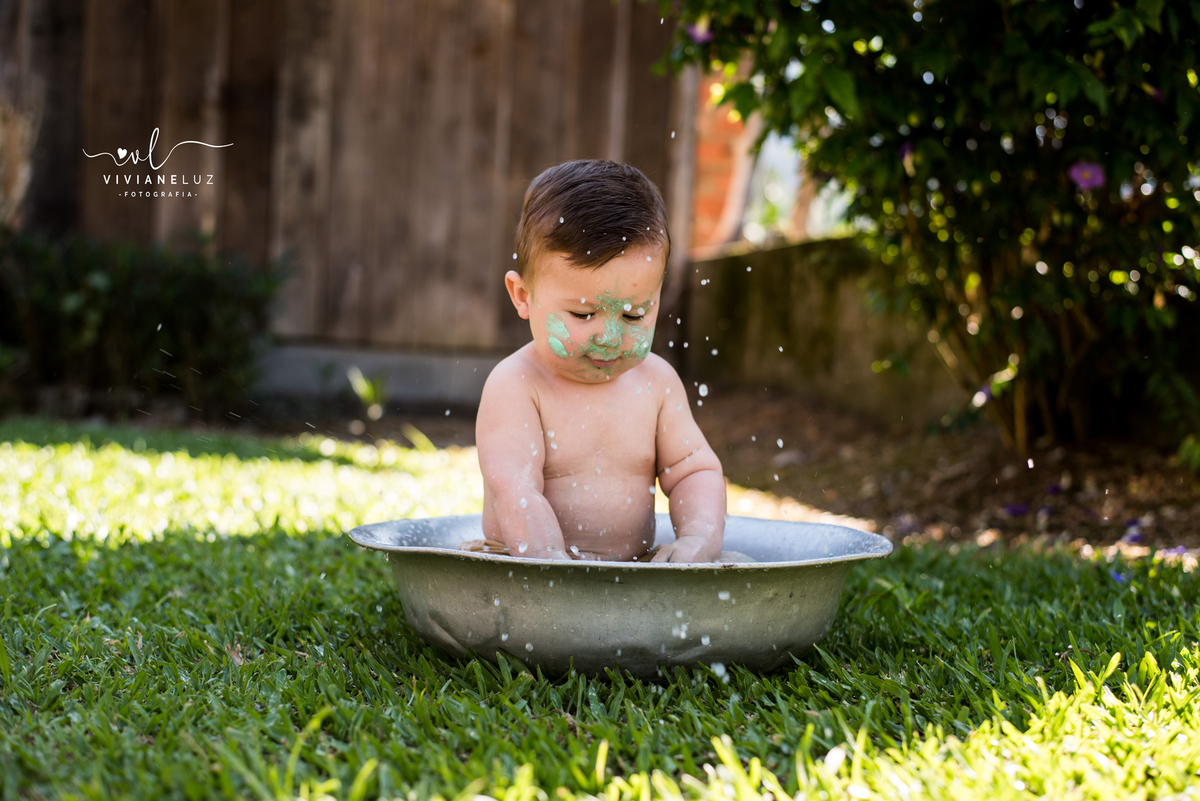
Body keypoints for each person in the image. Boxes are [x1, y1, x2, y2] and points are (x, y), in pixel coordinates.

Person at [472, 159, 727, 562]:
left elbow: (693, 471)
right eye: (583, 314)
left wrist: (698, 539)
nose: (610, 338)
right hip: (523, 566)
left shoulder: (656, 382)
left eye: (634, 315)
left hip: (631, 570)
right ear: (523, 297)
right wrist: (550, 564)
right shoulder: (517, 384)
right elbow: (514, 488)